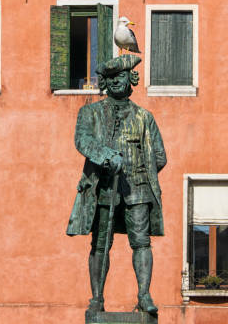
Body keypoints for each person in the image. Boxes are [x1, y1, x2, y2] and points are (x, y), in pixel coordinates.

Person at [66, 55, 166, 315]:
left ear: (130, 79)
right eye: (110, 79)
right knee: (100, 244)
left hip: (138, 188)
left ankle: (144, 295)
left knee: (142, 243)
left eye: (120, 77)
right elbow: (83, 140)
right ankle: (97, 298)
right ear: (105, 83)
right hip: (103, 189)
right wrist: (107, 157)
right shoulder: (90, 113)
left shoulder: (145, 117)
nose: (115, 83)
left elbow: (159, 156)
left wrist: (141, 170)